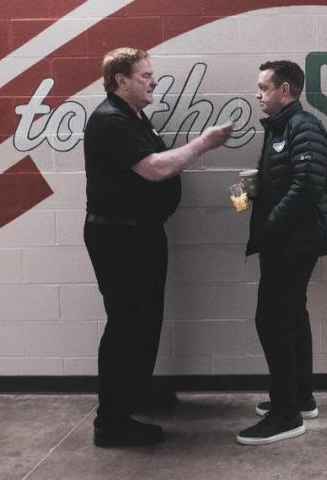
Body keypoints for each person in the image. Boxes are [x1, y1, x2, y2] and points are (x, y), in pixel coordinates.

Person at [84, 47, 235, 448]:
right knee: (126, 324)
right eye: (145, 75)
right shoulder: (109, 120)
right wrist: (202, 144)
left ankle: (135, 393)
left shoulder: (134, 116)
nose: (154, 81)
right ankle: (111, 421)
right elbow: (153, 168)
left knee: (147, 319)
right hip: (118, 237)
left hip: (141, 233)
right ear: (121, 80)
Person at [236, 60, 327, 445]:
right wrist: (252, 195)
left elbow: (307, 187)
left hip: (292, 242)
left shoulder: (303, 127)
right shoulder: (280, 128)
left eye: (263, 87)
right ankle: (299, 398)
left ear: (285, 90)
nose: (258, 94)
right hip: (285, 241)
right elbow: (286, 181)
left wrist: (269, 227)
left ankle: (286, 414)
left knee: (273, 321)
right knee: (290, 316)